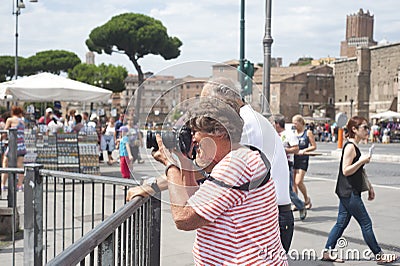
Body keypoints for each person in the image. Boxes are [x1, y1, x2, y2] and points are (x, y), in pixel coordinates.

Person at [127, 77, 295, 252]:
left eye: (207, 102)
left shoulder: (244, 125)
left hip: (266, 218)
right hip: (264, 215)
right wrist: (182, 158)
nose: (203, 108)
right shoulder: (248, 120)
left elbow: (186, 213)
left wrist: (156, 181)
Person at [153, 97, 287, 265]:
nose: (193, 139)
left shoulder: (235, 165)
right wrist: (185, 162)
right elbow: (194, 201)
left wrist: (170, 165)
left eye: (195, 132)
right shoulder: (246, 155)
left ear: (220, 132)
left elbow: (184, 218)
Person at [322, 116, 398, 264]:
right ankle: (379, 255)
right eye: (364, 128)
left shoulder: (354, 146)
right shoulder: (350, 147)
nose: (367, 131)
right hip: (349, 192)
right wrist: (362, 160)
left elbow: (358, 171)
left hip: (347, 191)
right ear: (354, 130)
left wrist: (369, 186)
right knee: (366, 223)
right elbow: (346, 170)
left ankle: (327, 252)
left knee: (341, 223)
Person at [274, 116, 307, 220]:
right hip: (276, 164)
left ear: (278, 124)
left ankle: (301, 205)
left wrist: (285, 150)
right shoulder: (275, 135)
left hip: (286, 163)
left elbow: (296, 149)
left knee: (288, 190)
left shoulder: (289, 134)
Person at [292, 114, 316, 209]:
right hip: (294, 158)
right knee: (293, 183)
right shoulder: (293, 133)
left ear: (301, 123)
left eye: (296, 123)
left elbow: (314, 146)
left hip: (303, 159)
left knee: (298, 181)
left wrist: (305, 150)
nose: (294, 125)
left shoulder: (307, 133)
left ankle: (306, 199)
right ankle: (296, 202)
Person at [2, 106, 27, 192]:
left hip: (13, 145)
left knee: (5, 164)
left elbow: (5, 132)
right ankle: (20, 185)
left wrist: (2, 138)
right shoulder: (22, 122)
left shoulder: (10, 120)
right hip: (22, 145)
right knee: (20, 166)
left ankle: (3, 184)